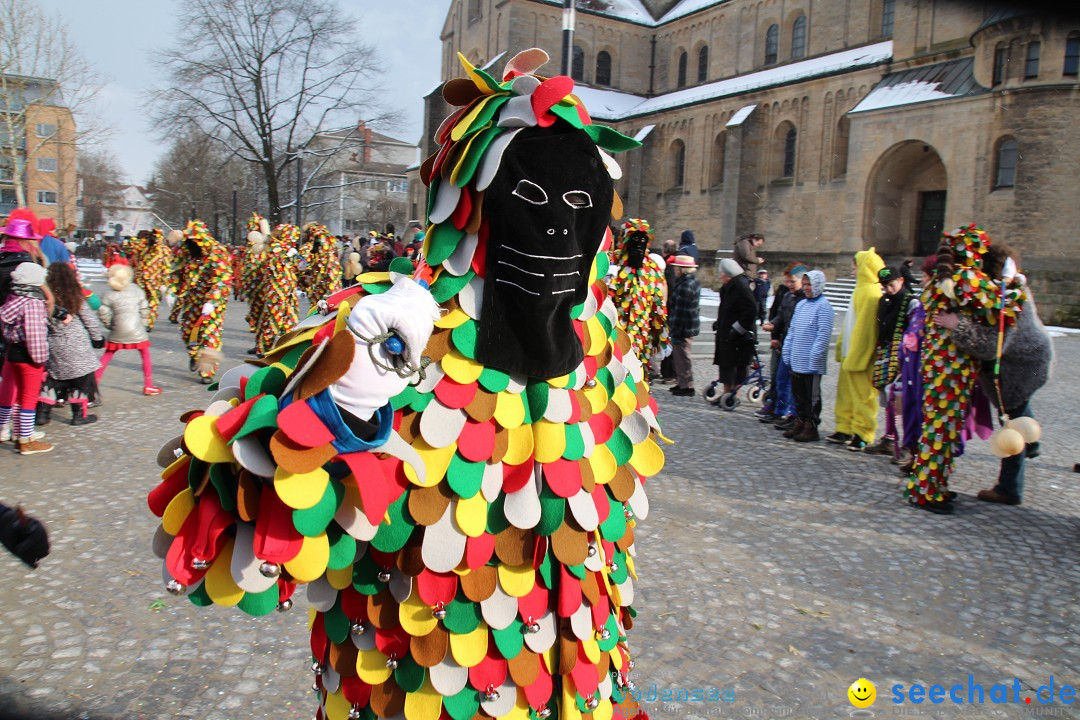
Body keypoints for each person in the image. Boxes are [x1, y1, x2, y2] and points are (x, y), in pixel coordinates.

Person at [147, 48, 656, 720]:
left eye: (580, 206)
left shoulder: (607, 354)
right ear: (472, 208)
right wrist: (325, 412)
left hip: (577, 685)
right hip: (413, 687)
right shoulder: (387, 326)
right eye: (529, 199)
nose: (558, 227)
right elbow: (232, 532)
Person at [905, 226, 1026, 514]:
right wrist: (1014, 281)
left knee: (938, 429)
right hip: (952, 369)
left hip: (940, 366)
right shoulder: (966, 277)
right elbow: (1003, 307)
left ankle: (928, 486)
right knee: (942, 430)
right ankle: (927, 493)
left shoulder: (943, 279)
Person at [936, 245, 1051, 506]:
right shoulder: (1005, 291)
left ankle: (1009, 488)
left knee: (1012, 425)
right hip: (1024, 362)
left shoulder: (1010, 298)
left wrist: (958, 325)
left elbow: (990, 346)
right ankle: (1031, 444)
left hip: (1021, 370)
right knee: (1019, 417)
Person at [828, 248, 884, 451]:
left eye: (855, 266)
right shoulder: (860, 290)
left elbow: (867, 329)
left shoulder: (871, 293)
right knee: (846, 394)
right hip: (850, 353)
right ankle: (845, 426)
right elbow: (850, 323)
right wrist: (842, 346)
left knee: (863, 397)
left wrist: (858, 355)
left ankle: (863, 432)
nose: (853, 270)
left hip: (861, 357)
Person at [37, 262, 105, 426]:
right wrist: (97, 339)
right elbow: (90, 320)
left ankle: (43, 414)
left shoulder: (44, 298)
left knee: (52, 380)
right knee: (80, 380)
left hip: (54, 344)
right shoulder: (75, 296)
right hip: (77, 344)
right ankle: (78, 415)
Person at [862, 266, 919, 457]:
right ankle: (889, 437)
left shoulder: (911, 302)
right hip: (886, 353)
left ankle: (907, 442)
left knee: (903, 399)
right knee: (887, 397)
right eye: (885, 285)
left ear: (901, 280)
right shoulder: (883, 301)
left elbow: (914, 331)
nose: (888, 288)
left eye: (891, 284)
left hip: (905, 357)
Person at [0, 262, 53, 454]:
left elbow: (6, 328)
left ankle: (21, 433)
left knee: (20, 397)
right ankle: (25, 440)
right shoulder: (33, 303)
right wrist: (41, 359)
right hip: (29, 356)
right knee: (29, 398)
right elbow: (35, 334)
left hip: (13, 351)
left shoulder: (13, 299)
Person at [609, 218, 668, 375]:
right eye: (634, 239)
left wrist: (661, 336)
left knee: (638, 379)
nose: (639, 244)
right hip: (614, 336)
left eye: (643, 239)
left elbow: (658, 305)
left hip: (641, 339)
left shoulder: (653, 271)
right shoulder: (613, 265)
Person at [175, 220, 232, 383]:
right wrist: (172, 289)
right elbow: (177, 270)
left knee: (210, 336)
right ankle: (195, 355)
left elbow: (223, 279)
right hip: (192, 299)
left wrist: (213, 300)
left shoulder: (218, 252)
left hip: (213, 302)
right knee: (188, 332)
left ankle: (207, 372)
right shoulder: (187, 252)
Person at [781, 270, 834, 442]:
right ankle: (801, 420)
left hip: (811, 361)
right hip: (797, 358)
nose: (806, 288)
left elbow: (823, 334)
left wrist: (815, 356)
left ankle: (811, 426)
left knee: (811, 396)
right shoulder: (801, 305)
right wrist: (787, 350)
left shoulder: (824, 306)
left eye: (809, 284)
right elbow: (793, 330)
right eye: (804, 285)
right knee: (798, 394)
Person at [96, 263, 160, 396]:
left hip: (118, 330)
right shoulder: (136, 290)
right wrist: (143, 324)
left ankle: (94, 383)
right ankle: (148, 385)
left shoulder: (108, 294)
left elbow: (103, 313)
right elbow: (144, 309)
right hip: (136, 329)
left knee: (107, 355)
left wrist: (110, 325)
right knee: (145, 355)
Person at [762, 263, 807, 427]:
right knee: (781, 380)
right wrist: (773, 325)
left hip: (798, 346)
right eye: (787, 281)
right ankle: (779, 411)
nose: (789, 285)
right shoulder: (788, 296)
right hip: (785, 344)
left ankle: (793, 414)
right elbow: (781, 316)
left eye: (792, 281)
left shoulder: (804, 299)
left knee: (795, 384)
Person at [712, 258, 757, 397]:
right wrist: (719, 322)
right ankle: (726, 392)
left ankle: (733, 394)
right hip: (727, 334)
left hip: (738, 337)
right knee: (726, 366)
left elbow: (751, 310)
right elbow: (726, 309)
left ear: (728, 275)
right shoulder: (727, 288)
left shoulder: (740, 287)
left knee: (735, 367)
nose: (720, 276)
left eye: (721, 274)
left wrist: (738, 329)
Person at [668, 254, 700, 396]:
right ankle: (682, 383)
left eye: (676, 268)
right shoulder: (688, 282)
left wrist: (675, 329)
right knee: (680, 356)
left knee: (683, 356)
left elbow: (681, 311)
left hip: (683, 327)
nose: (675, 270)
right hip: (686, 326)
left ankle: (687, 386)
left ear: (681, 270)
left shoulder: (685, 285)